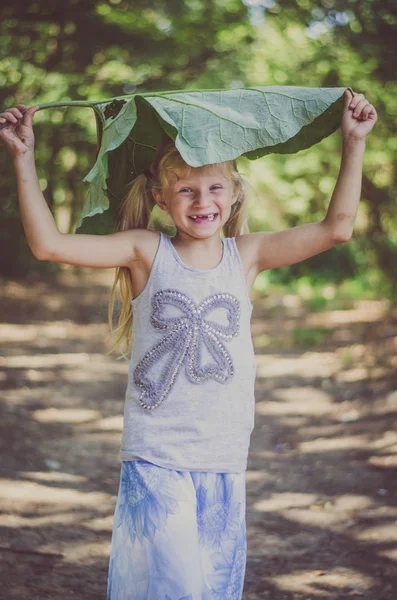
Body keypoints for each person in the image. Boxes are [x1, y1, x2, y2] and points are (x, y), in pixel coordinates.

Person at [0, 88, 377, 599]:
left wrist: (353, 144)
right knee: (173, 586)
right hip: (157, 454)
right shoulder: (144, 251)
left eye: (215, 188)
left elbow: (337, 228)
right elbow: (48, 245)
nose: (203, 202)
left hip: (222, 456)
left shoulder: (248, 255)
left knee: (208, 588)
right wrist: (23, 157)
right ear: (160, 197)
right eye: (186, 191)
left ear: (235, 193)